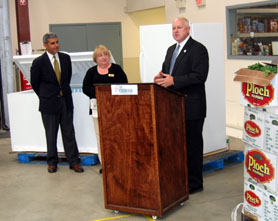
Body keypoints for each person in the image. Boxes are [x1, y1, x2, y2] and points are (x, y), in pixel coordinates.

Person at [154, 17, 209, 194]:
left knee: (192, 147)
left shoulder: (198, 49)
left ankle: (194, 184)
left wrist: (174, 80)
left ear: (188, 29)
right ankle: (180, 179)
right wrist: (160, 77)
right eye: (173, 28)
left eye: (179, 28)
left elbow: (199, 76)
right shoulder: (171, 50)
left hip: (192, 108)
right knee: (177, 147)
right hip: (173, 108)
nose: (175, 31)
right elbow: (167, 72)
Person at [30, 32, 84, 173]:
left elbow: (66, 80)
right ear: (45, 45)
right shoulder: (39, 62)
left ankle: (74, 161)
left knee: (69, 132)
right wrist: (46, 96)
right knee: (51, 134)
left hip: (65, 101)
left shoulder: (66, 58)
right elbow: (35, 83)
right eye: (53, 43)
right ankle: (52, 162)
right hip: (49, 104)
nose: (56, 45)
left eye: (57, 42)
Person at [82, 45, 128, 174]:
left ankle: (118, 163)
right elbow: (85, 88)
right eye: (100, 55)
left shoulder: (116, 69)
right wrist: (101, 93)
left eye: (106, 54)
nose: (104, 58)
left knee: (117, 136)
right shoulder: (91, 72)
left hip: (116, 109)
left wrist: (110, 94)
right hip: (97, 109)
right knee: (100, 137)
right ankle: (105, 164)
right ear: (95, 58)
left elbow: (124, 85)